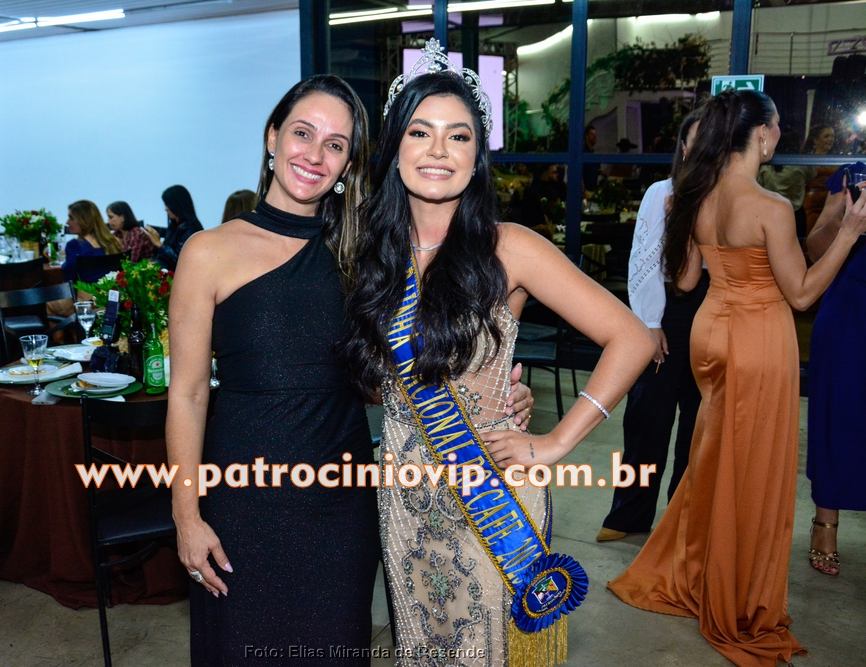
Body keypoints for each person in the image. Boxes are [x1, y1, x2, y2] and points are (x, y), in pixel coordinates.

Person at [167, 73, 539, 665]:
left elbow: (395, 372)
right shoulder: (207, 251)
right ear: (272, 137)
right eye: (302, 133)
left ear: (348, 164)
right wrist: (186, 514)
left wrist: (496, 393)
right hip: (241, 502)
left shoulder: (367, 253)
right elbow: (187, 395)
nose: (315, 155)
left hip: (341, 508)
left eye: (335, 144)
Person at [339, 60, 653, 663]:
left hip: (490, 494)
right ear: (395, 149)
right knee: (422, 646)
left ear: (477, 157)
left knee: (482, 648)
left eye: (458, 135)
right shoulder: (373, 254)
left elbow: (632, 339)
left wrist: (556, 440)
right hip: (404, 496)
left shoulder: (509, 247)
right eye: (420, 131)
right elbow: (382, 385)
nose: (439, 150)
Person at [608, 90, 866, 667]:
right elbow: (801, 294)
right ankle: (734, 587)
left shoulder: (697, 196)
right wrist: (849, 231)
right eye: (777, 128)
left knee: (714, 456)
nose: (778, 137)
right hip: (757, 340)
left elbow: (685, 280)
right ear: (763, 135)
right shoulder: (771, 206)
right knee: (753, 467)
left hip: (710, 334)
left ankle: (701, 566)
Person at [597, 111, 705, 542]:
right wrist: (649, 322)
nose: (704, 147)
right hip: (668, 311)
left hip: (713, 314)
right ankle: (627, 515)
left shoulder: (729, 198)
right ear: (683, 147)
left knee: (698, 424)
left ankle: (683, 522)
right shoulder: (663, 192)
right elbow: (644, 260)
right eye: (695, 139)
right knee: (646, 418)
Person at [803, 162, 866, 576]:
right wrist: (849, 216)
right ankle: (825, 526)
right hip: (849, 312)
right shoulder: (852, 176)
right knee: (837, 417)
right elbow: (814, 249)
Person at [143, 185, 203, 270]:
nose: (166, 209)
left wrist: (159, 244)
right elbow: (163, 255)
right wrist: (154, 241)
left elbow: (179, 259)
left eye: (168, 204)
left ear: (176, 205)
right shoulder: (174, 225)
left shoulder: (190, 228)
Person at [61, 200, 122, 283]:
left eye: (71, 218)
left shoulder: (75, 245)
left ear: (84, 220)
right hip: (111, 289)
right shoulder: (114, 242)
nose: (67, 222)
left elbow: (69, 276)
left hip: (85, 290)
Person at [802, 124, 838, 232]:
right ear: (816, 141)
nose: (830, 139)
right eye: (826, 136)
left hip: (830, 206)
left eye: (832, 136)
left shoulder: (836, 160)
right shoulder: (808, 160)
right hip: (812, 206)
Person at [583, 124, 600, 192]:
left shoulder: (594, 154)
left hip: (593, 189)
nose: (595, 136)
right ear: (587, 137)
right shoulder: (582, 153)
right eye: (592, 134)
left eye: (595, 134)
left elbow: (595, 169)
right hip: (584, 191)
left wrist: (600, 171)